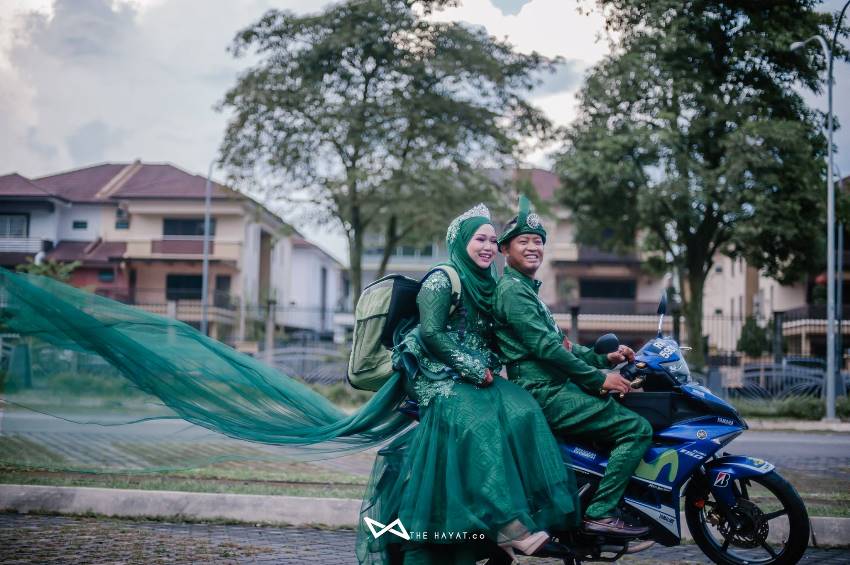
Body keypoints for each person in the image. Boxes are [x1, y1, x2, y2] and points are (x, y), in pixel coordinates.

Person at [357, 204, 581, 564]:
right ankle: (508, 523)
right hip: (436, 375)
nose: (488, 247)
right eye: (480, 239)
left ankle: (530, 512)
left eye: (493, 240)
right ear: (460, 241)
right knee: (479, 423)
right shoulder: (441, 278)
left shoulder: (489, 283)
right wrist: (472, 368)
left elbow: (500, 333)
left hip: (477, 374)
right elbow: (431, 333)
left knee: (524, 407)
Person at [492, 196, 652, 538]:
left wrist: (601, 358)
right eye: (524, 241)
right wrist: (599, 379)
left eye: (538, 241)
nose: (533, 247)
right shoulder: (512, 292)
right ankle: (601, 512)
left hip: (556, 387)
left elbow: (563, 346)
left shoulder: (527, 291)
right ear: (505, 250)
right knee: (636, 429)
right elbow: (546, 348)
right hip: (544, 393)